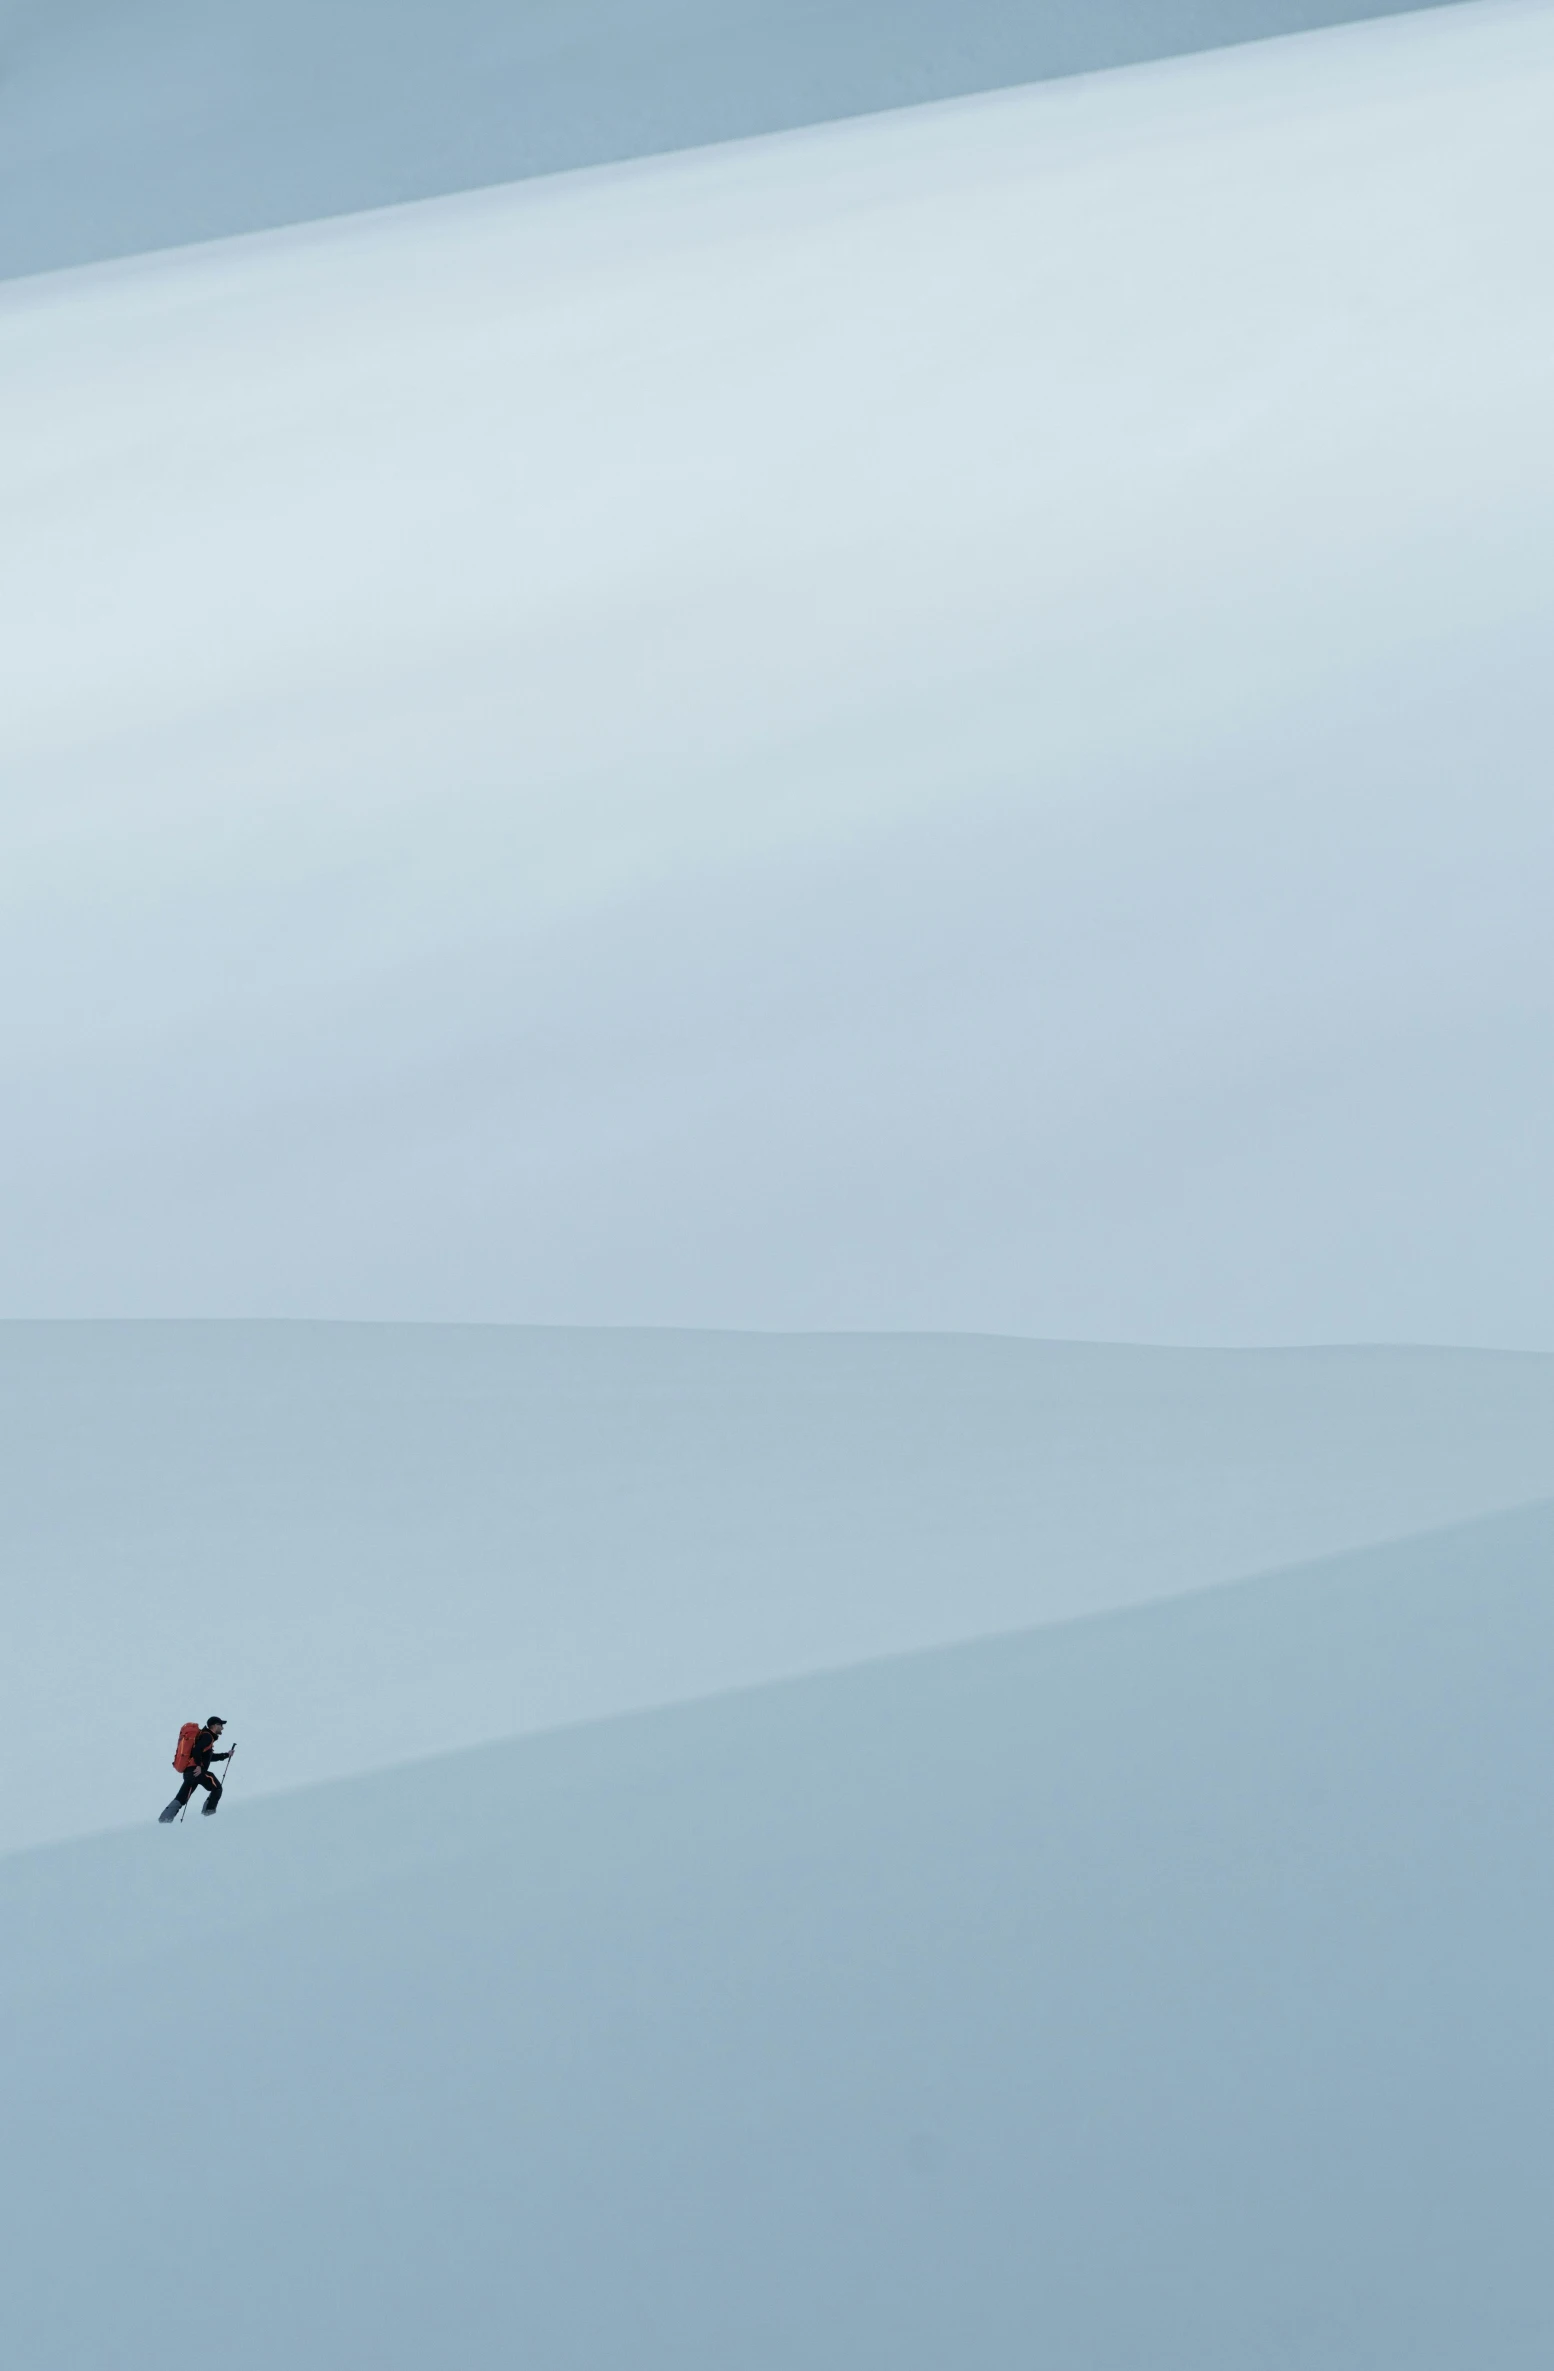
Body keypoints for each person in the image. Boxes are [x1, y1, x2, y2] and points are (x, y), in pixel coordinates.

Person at [159, 1716, 233, 1822]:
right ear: (215, 1725)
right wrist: (198, 1765)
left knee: (182, 1797)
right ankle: (208, 1814)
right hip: (196, 1771)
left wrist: (226, 1755)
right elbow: (196, 1750)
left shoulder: (204, 1737)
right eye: (221, 1725)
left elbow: (209, 1757)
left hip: (189, 1773)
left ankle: (164, 1819)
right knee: (217, 1788)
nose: (222, 1728)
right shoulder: (207, 1736)